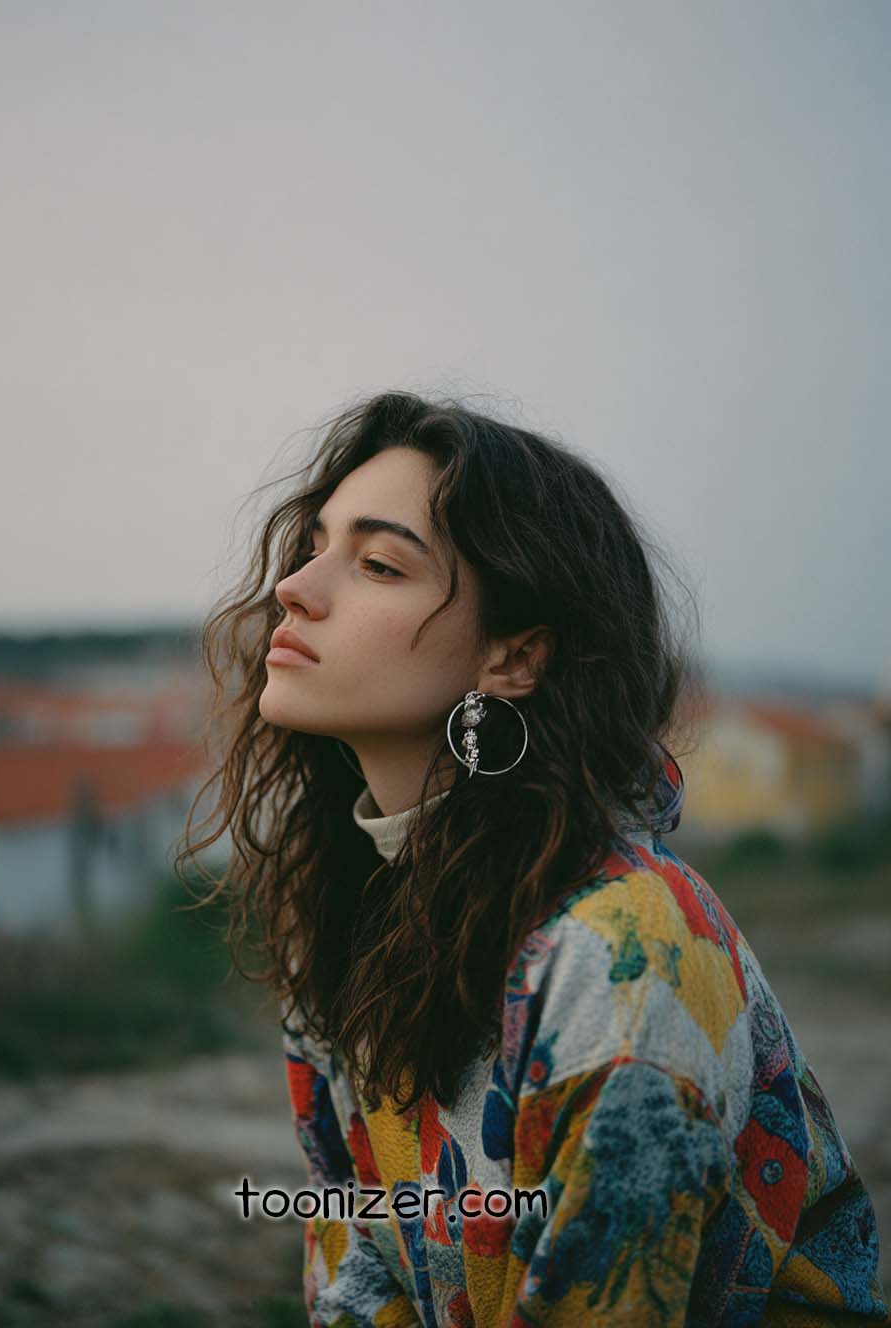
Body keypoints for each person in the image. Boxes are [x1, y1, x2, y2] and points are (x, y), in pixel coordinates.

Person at [178, 390, 889, 1325]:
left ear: (513, 658)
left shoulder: (621, 950)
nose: (296, 587)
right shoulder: (347, 907)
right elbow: (354, 1254)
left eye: (379, 564)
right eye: (315, 546)